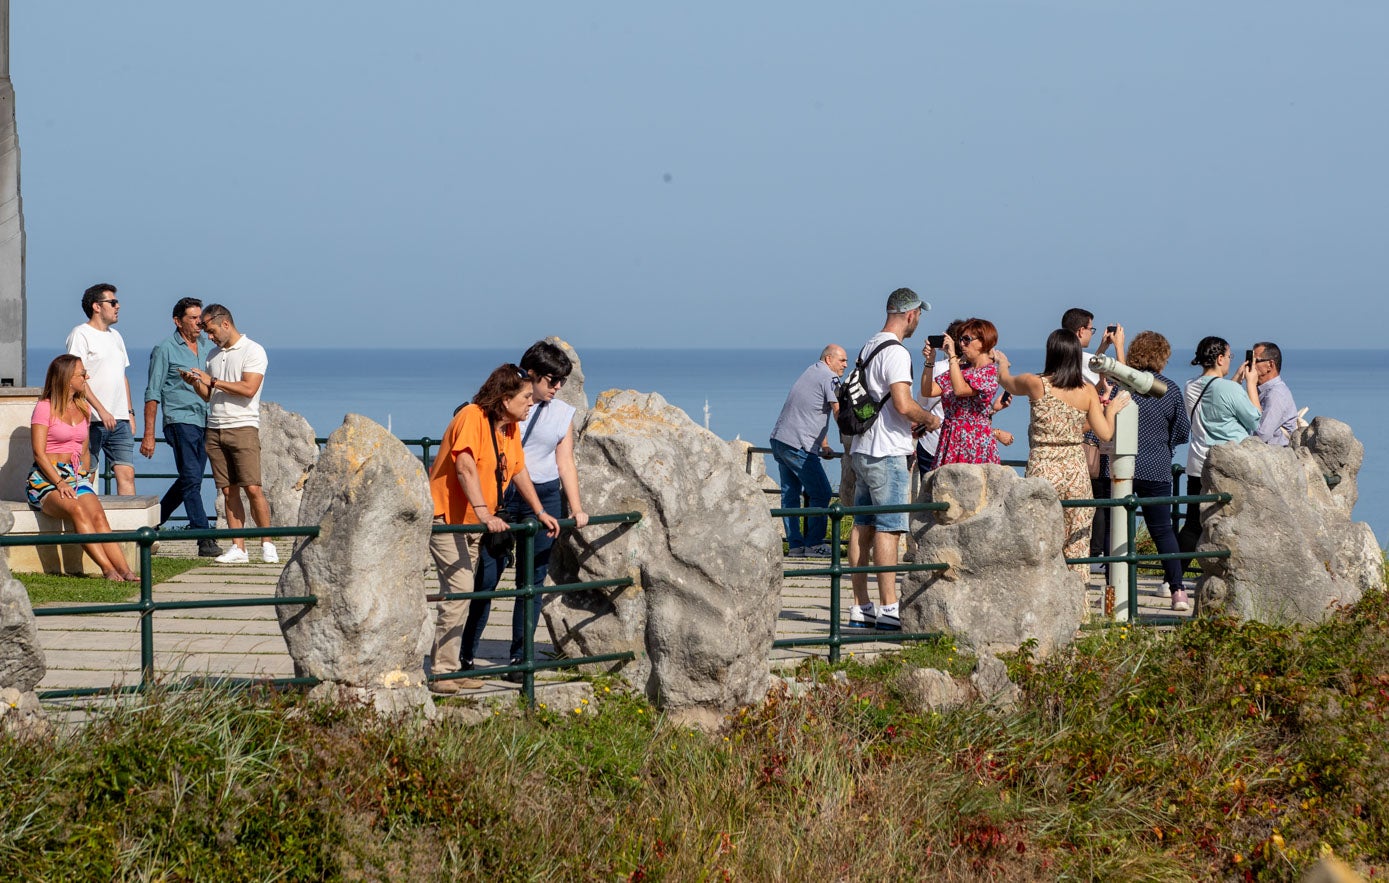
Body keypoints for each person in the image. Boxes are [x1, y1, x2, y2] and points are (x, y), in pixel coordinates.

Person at [426, 364, 559, 693]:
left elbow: (517, 470)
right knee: (459, 592)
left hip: (473, 523)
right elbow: (465, 466)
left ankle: (452, 667)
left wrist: (540, 511)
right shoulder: (472, 417)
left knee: (466, 595)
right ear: (505, 398)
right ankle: (443, 671)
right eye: (526, 397)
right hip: (449, 518)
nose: (532, 403)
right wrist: (485, 513)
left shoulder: (509, 428)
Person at [996, 331, 1130, 584]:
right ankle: (1078, 610)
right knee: (1077, 542)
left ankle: (1041, 598)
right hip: (1075, 470)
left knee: (1040, 538)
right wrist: (1109, 409)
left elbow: (1006, 381)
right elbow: (1105, 433)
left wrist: (1003, 363)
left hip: (1043, 467)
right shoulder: (1087, 391)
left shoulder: (1036, 383)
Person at [846, 288, 939, 632]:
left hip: (862, 448)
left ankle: (860, 608)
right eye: (919, 315)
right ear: (911, 314)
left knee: (862, 526)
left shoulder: (870, 345)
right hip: (887, 453)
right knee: (889, 529)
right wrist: (928, 420)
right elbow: (902, 403)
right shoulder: (897, 352)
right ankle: (888, 609)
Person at [500, 342, 590, 682]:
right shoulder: (508, 406)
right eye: (551, 380)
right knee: (487, 577)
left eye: (562, 381)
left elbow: (564, 462)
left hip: (545, 494)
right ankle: (461, 659)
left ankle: (519, 659)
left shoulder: (562, 413)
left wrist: (577, 508)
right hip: (507, 494)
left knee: (532, 581)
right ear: (531, 375)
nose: (556, 387)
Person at [178, 304, 277, 565]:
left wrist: (212, 381)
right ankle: (239, 547)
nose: (209, 337)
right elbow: (210, 395)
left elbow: (248, 388)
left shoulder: (253, 350)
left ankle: (267, 543)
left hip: (243, 425)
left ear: (224, 324)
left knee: (253, 487)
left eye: (210, 331)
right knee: (227, 490)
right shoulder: (212, 355)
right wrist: (197, 384)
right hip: (215, 427)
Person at [27, 355, 138, 581]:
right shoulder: (44, 407)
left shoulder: (83, 407)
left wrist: (84, 478)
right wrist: (59, 483)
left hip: (75, 476)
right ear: (68, 379)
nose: (87, 376)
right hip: (46, 478)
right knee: (77, 510)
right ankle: (108, 569)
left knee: (97, 514)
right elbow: (39, 453)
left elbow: (84, 450)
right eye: (82, 373)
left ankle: (125, 570)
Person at [140, 297, 221, 558]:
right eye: (193, 318)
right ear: (178, 321)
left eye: (201, 317)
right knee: (191, 478)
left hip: (206, 420)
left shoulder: (207, 345)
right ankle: (204, 537)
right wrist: (149, 434)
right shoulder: (164, 349)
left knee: (190, 479)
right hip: (179, 420)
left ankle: (153, 523)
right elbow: (152, 392)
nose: (199, 322)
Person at [1124, 332, 1192, 610]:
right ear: (1161, 357)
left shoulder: (1122, 385)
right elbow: (1182, 432)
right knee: (1163, 531)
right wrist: (1164, 442)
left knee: (1116, 526)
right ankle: (1177, 591)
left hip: (1122, 466)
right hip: (1157, 466)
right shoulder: (1170, 389)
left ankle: (1114, 582)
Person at [1176, 336, 1261, 553]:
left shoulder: (1189, 386)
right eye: (1229, 356)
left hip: (1197, 463)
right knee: (1232, 523)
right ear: (1220, 358)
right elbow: (1255, 419)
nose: (1230, 360)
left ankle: (1172, 581)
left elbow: (1215, 396)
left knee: (1193, 524)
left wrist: (1234, 380)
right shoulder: (1229, 389)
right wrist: (1250, 383)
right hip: (1227, 466)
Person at [769, 344, 846, 557]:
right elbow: (837, 410)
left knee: (790, 495)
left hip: (780, 439)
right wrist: (850, 438)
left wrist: (824, 445)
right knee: (821, 492)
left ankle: (795, 546)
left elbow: (812, 413)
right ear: (828, 359)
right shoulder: (830, 378)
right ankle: (814, 544)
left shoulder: (811, 371)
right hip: (799, 445)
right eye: (842, 360)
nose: (846, 365)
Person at [65, 283, 136, 495]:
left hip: (120, 419)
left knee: (127, 475)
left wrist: (129, 413)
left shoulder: (116, 336)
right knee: (87, 474)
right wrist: (102, 410)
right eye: (112, 302)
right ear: (97, 306)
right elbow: (76, 378)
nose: (118, 306)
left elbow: (122, 376)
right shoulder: (80, 334)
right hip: (90, 419)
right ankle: (87, 525)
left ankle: (130, 528)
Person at [930, 318, 1008, 466]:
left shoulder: (990, 372)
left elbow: (960, 390)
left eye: (967, 339)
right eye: (960, 339)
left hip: (974, 441)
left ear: (983, 341)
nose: (961, 344)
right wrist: (929, 362)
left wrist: (952, 356)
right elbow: (929, 390)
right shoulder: (961, 369)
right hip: (951, 437)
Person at [1246, 341, 1298, 445]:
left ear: (1270, 365)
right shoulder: (1262, 391)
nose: (1250, 364)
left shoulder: (1276, 394)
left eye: (1254, 361)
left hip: (1277, 456)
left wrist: (1250, 384)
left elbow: (1261, 436)